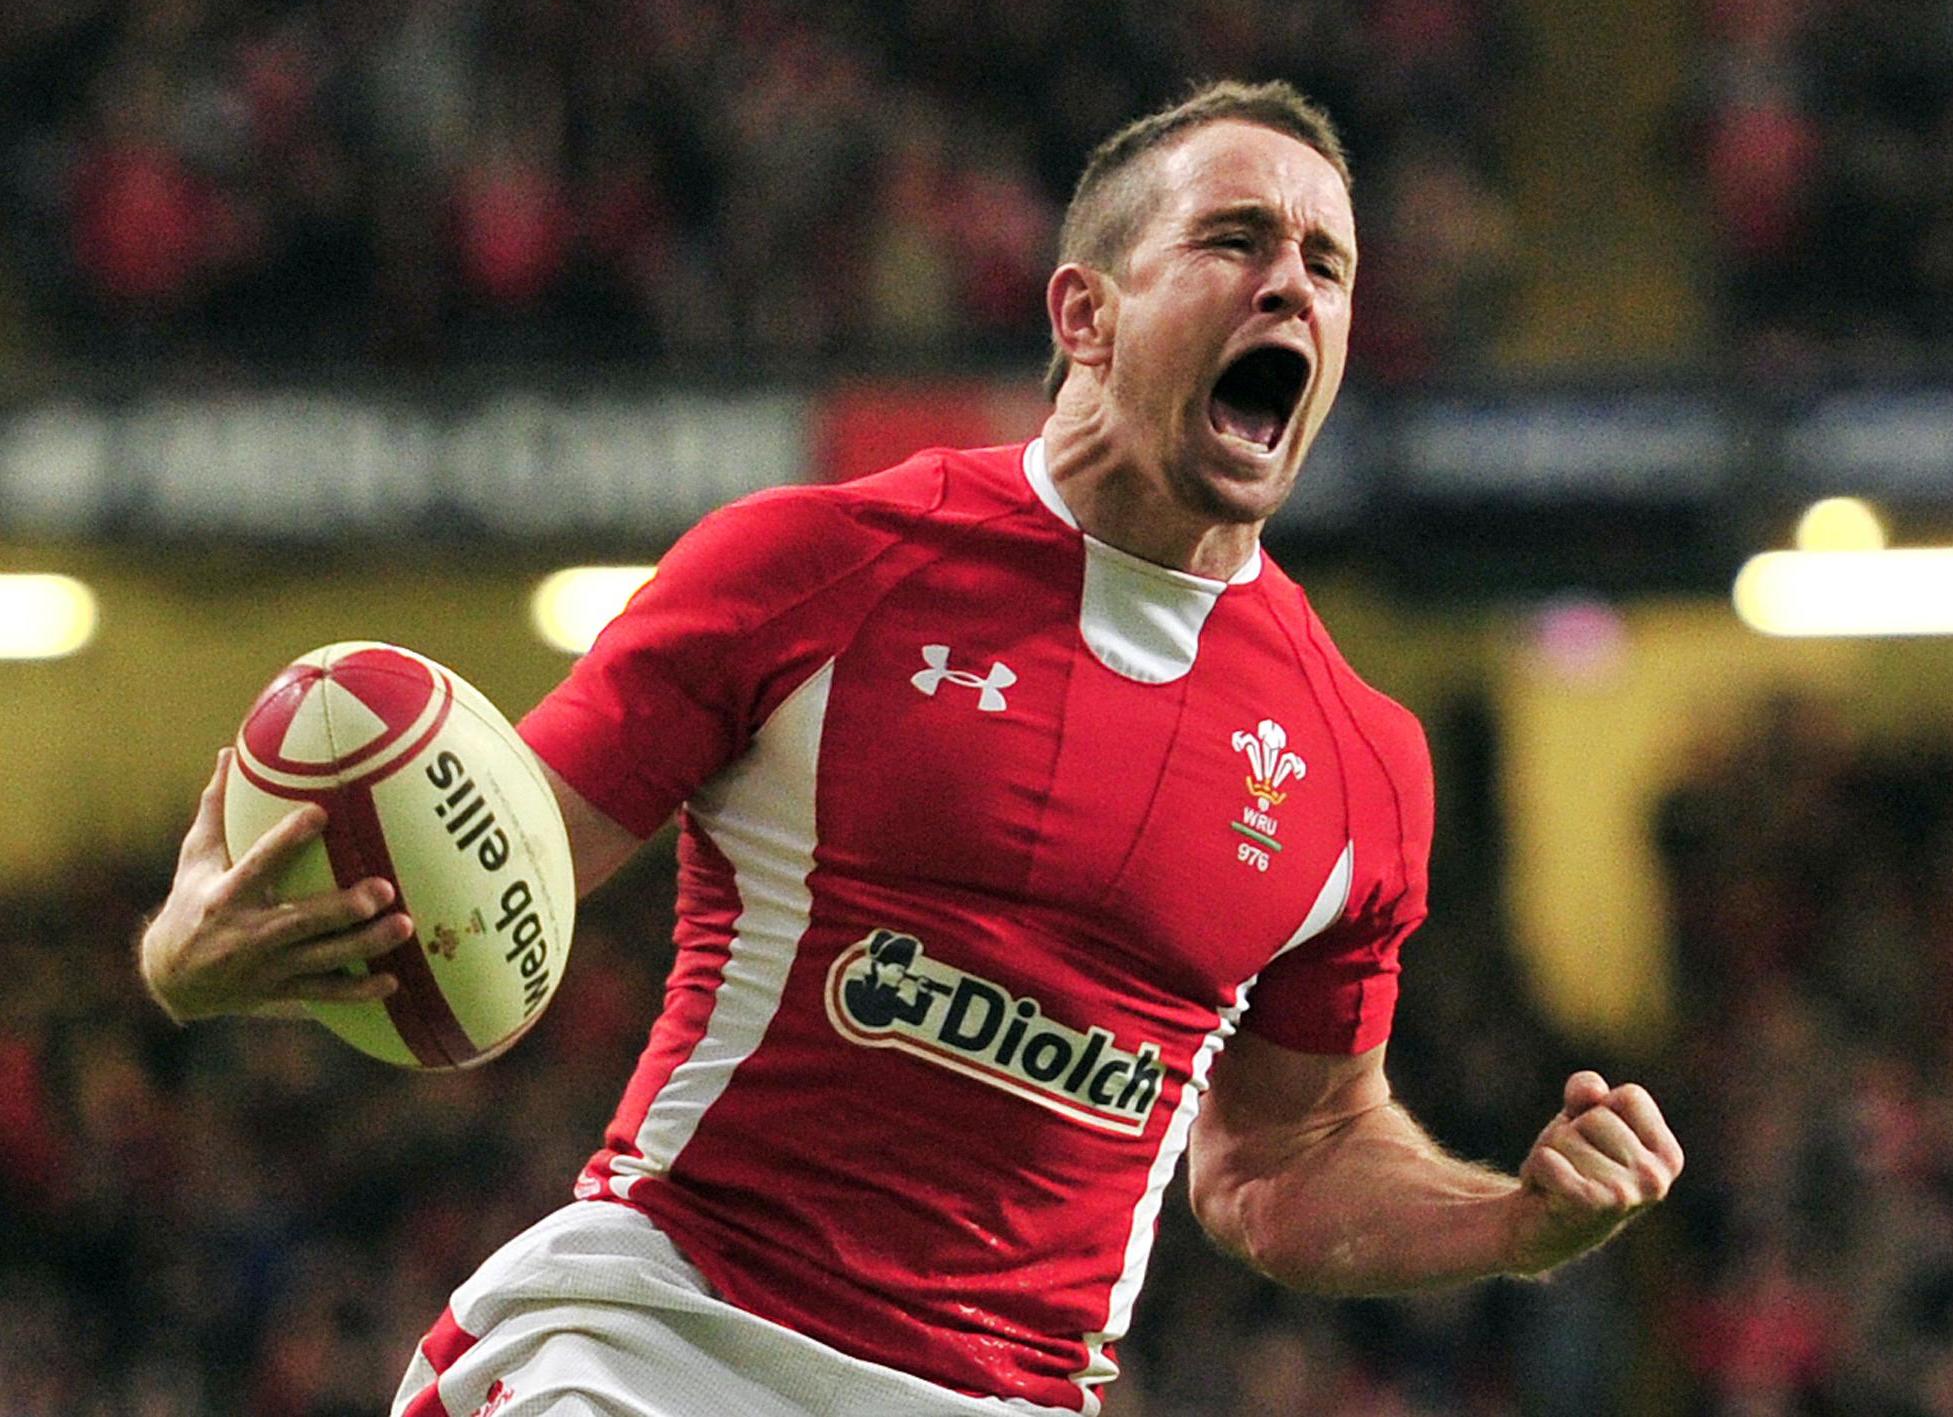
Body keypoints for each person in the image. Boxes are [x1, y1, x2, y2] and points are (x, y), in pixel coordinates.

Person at [138, 79, 1684, 1417]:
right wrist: (196, 953)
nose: (1292, 284)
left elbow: (1283, 1160)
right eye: (1236, 239)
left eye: (1328, 263)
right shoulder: (810, 564)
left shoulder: (1362, 762)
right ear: (1082, 314)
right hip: (663, 1344)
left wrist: (1507, 1221)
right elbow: (486, 882)